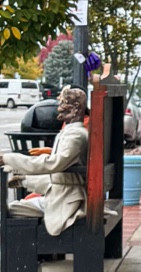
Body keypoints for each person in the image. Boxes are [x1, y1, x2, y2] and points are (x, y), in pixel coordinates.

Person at [2, 86, 88, 234]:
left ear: (75, 108)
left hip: (65, 201)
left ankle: (25, 254)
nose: (59, 108)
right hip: (61, 196)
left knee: (7, 212)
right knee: (13, 207)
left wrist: (9, 159)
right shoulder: (71, 132)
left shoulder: (76, 135)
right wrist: (25, 181)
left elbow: (52, 165)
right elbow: (61, 177)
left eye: (63, 103)